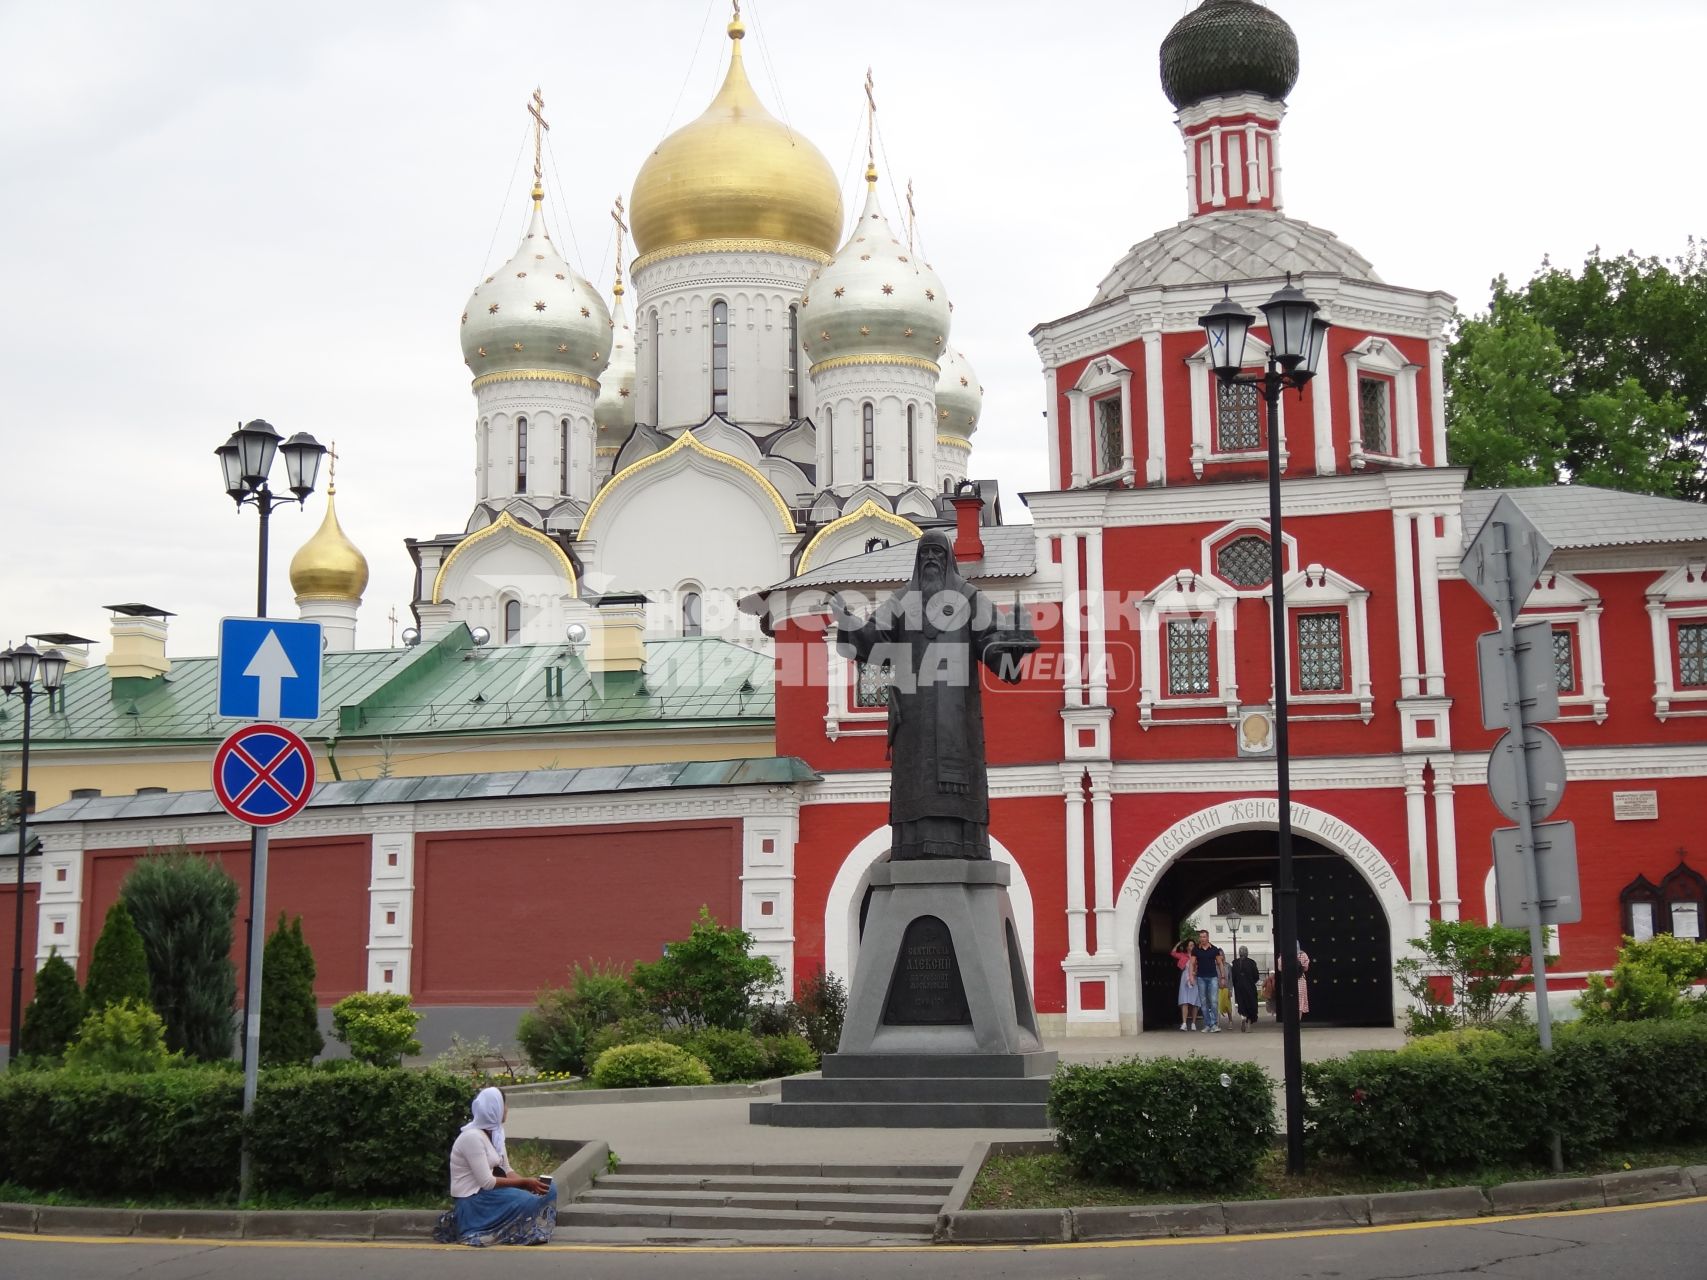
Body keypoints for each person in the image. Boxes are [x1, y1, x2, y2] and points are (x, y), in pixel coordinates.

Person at [831, 529, 1037, 861]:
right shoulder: (900, 601)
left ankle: (962, 850)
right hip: (911, 716)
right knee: (914, 781)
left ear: (949, 559)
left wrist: (1015, 644)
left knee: (958, 781)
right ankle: (911, 850)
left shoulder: (970, 599)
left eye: (937, 553)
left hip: (957, 716)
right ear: (916, 560)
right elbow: (873, 641)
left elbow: (995, 651)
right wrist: (847, 620)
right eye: (924, 553)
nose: (930, 559)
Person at [433, 1086, 556, 1247]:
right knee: (526, 1200)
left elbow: (507, 1170)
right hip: (475, 1200)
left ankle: (532, 1227)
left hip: (493, 1194)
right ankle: (490, 1230)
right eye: (503, 1105)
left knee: (550, 1188)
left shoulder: (496, 1134)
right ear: (494, 1109)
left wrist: (531, 1185)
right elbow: (487, 1182)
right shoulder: (472, 1138)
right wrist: (524, 1183)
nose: (506, 1109)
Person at [1189, 928, 1226, 1033]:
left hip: (1212, 977)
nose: (1202, 939)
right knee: (1203, 1002)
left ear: (1208, 937)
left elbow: (1220, 963)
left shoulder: (1214, 949)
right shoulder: (1196, 950)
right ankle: (1207, 1024)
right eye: (1200, 937)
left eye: (1204, 937)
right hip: (1201, 977)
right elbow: (1192, 963)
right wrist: (1191, 976)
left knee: (1214, 1001)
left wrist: (1222, 977)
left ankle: (1214, 1024)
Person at [1230, 945, 1260, 1030]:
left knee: (1241, 1004)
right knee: (1251, 1004)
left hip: (1239, 987)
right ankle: (1249, 1022)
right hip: (1250, 987)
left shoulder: (1235, 963)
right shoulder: (1251, 962)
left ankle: (1243, 1017)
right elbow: (1256, 976)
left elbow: (1233, 976)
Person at [1172, 939, 1200, 1031]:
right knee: (1185, 1000)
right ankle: (1184, 1023)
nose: (1192, 946)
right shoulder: (1183, 955)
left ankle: (1193, 1023)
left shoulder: (1197, 956)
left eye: (1193, 945)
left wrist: (1196, 972)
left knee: (1195, 1001)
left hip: (1194, 977)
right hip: (1185, 977)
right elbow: (1173, 953)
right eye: (1190, 945)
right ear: (1187, 947)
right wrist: (1178, 943)